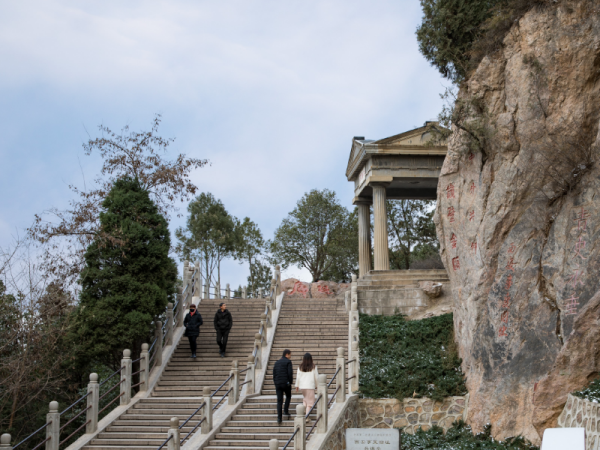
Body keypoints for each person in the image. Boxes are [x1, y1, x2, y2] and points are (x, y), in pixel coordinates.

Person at [295, 352, 319, 423]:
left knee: (305, 400)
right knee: (310, 402)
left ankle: (303, 414)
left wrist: (297, 385)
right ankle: (306, 417)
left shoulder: (300, 367)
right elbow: (316, 377)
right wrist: (317, 385)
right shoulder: (313, 366)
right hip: (310, 386)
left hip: (302, 387)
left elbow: (298, 377)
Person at [272, 349, 293, 425]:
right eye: (290, 355)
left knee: (279, 401)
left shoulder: (276, 362)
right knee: (288, 396)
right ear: (287, 354)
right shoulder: (288, 362)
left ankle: (279, 418)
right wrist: (290, 382)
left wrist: (275, 382)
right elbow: (290, 373)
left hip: (278, 384)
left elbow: (274, 373)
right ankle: (286, 411)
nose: (290, 356)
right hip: (285, 383)